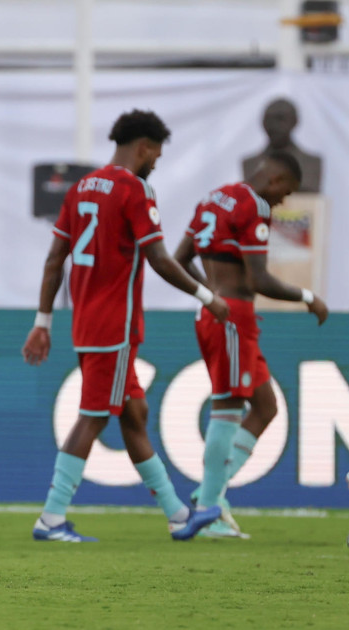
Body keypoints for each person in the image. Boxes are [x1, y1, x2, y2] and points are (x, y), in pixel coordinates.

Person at [21, 110, 229, 543]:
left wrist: (44, 320)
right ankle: (52, 517)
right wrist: (209, 296)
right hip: (114, 326)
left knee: (134, 415)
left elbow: (54, 259)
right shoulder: (135, 189)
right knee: (93, 418)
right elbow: (159, 258)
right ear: (145, 147)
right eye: (157, 152)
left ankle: (177, 516)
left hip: (87, 321)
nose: (157, 161)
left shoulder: (80, 189)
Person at [174, 152, 328, 537]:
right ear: (274, 180)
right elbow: (259, 279)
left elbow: (180, 259)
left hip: (220, 314)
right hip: (232, 319)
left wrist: (208, 293)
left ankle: (212, 494)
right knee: (227, 406)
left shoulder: (214, 198)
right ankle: (208, 510)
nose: (283, 202)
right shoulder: (254, 205)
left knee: (265, 406)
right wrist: (308, 296)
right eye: (286, 192)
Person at [241, 98, 322, 193]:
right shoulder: (251, 164)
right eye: (269, 119)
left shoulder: (311, 164)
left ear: (295, 121)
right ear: (263, 123)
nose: (274, 126)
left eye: (280, 119)